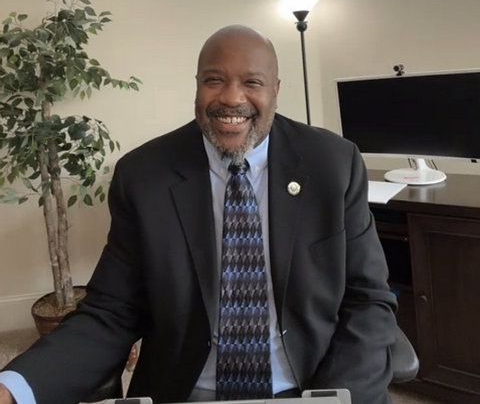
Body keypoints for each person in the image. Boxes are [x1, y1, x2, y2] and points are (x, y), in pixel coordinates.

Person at [0, 25, 397, 404]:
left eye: (252, 83)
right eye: (214, 80)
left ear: (276, 91)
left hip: (308, 388)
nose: (231, 98)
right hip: (186, 393)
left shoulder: (333, 164)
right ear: (197, 86)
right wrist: (16, 387)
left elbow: (368, 300)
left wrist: (336, 397)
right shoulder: (144, 175)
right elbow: (112, 310)